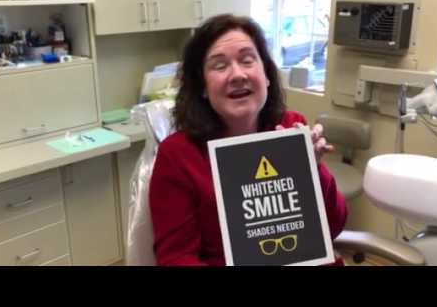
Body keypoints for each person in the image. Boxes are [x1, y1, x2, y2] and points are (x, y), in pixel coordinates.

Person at [149, 14, 348, 266]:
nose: (237, 75)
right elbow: (176, 258)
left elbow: (333, 227)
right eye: (219, 66)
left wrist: (313, 172)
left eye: (247, 60)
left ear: (265, 75)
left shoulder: (289, 128)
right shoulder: (178, 155)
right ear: (202, 86)